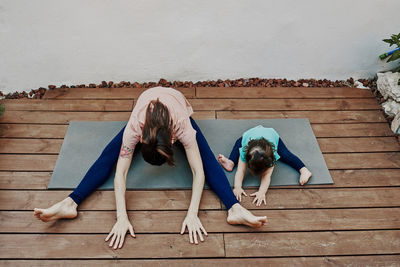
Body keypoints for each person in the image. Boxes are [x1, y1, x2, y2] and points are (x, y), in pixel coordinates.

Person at [34, 87, 267, 249]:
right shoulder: (134, 127)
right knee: (109, 154)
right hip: (146, 105)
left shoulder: (182, 126)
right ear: (141, 140)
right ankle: (70, 202)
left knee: (205, 156)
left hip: (175, 104)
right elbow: (120, 173)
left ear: (173, 142)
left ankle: (234, 208)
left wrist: (192, 213)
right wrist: (121, 218)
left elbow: (199, 172)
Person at [218, 125, 312, 206]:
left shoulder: (272, 156)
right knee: (238, 144)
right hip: (249, 134)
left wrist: (261, 192)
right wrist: (237, 187)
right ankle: (231, 162)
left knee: (286, 154)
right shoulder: (244, 151)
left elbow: (267, 176)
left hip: (271, 135)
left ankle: (303, 169)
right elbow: (241, 171)